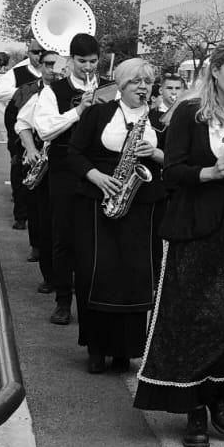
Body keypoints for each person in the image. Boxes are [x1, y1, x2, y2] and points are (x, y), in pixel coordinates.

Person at [134, 42, 224, 447]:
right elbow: (173, 169)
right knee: (194, 315)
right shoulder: (190, 111)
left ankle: (222, 395)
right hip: (197, 222)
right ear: (215, 70)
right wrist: (211, 172)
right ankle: (193, 405)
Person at [67, 59, 164, 373]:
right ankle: (96, 348)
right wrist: (95, 176)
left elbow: (177, 160)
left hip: (142, 204)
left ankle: (125, 351)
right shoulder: (99, 113)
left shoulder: (159, 120)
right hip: (99, 199)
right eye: (136, 81)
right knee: (97, 273)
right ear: (121, 84)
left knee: (134, 276)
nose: (142, 87)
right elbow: (73, 153)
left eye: (147, 82)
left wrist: (155, 153)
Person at [32, 34, 112, 325]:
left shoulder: (110, 88)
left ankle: (95, 303)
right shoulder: (53, 91)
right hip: (64, 169)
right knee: (63, 236)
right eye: (82, 62)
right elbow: (45, 130)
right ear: (71, 60)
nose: (88, 67)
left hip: (99, 169)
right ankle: (63, 300)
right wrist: (79, 111)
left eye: (93, 62)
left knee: (97, 236)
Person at [12, 47, 62, 293]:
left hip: (71, 167)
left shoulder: (78, 93)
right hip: (44, 164)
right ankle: (50, 276)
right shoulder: (37, 94)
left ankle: (68, 277)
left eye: (57, 64)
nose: (54, 70)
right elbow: (21, 123)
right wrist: (31, 149)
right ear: (41, 67)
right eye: (49, 65)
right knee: (44, 222)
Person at [0, 42, 45, 230]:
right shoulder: (18, 72)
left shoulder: (56, 72)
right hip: (20, 125)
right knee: (19, 168)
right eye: (36, 52)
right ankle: (21, 215)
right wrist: (27, 91)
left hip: (44, 128)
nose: (40, 55)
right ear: (28, 53)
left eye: (43, 52)